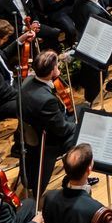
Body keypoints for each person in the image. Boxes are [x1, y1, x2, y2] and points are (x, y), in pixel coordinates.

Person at [15, 51, 77, 197]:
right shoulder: (46, 101)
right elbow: (61, 129)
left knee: (78, 111)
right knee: (80, 130)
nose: (58, 67)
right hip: (47, 141)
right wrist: (77, 126)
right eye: (56, 66)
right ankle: (75, 178)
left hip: (30, 131)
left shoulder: (27, 81)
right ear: (51, 71)